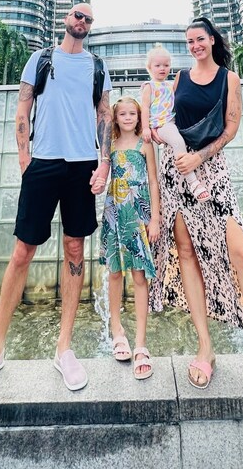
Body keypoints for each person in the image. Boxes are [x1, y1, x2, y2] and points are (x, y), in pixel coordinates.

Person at [0, 2, 112, 396]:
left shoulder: (97, 66)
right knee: (23, 251)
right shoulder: (41, 59)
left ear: (91, 27)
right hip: (42, 163)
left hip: (82, 166)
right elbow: (23, 105)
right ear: (65, 19)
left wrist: (104, 161)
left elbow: (104, 114)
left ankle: (64, 348)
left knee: (75, 249)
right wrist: (24, 155)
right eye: (77, 15)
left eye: (88, 19)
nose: (82, 22)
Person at [150, 16, 243, 413]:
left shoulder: (229, 78)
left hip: (211, 171)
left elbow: (230, 129)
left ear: (214, 39)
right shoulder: (177, 79)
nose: (194, 45)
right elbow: (158, 118)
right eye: (189, 41)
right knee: (187, 254)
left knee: (242, 255)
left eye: (199, 39)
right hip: (176, 171)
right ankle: (205, 347)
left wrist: (200, 156)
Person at [99, 96, 160, 379]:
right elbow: (103, 177)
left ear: (139, 116)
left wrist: (155, 218)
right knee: (114, 274)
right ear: (115, 117)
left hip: (138, 215)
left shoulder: (144, 144)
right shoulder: (109, 146)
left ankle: (140, 342)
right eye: (121, 113)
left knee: (138, 277)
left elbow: (153, 180)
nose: (127, 117)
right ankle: (117, 331)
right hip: (115, 212)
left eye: (132, 113)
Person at [141, 44, 209, 202]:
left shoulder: (170, 85)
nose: (162, 68)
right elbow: (144, 108)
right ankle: (193, 182)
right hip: (161, 124)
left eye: (166, 65)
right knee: (178, 142)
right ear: (149, 67)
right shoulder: (149, 87)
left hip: (173, 122)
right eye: (157, 65)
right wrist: (146, 128)